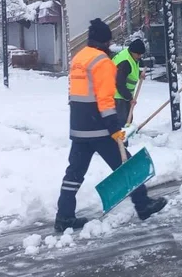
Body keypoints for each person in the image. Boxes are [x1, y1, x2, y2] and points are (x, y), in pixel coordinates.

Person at [56, 19, 166, 232]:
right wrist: (114, 128)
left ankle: (64, 215)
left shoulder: (79, 58)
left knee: (74, 173)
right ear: (106, 41)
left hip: (79, 126)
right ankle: (143, 206)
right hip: (99, 127)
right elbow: (105, 100)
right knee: (128, 165)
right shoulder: (102, 62)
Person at [113, 39, 146, 127]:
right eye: (138, 54)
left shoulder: (131, 57)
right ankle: (121, 139)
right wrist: (129, 98)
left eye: (141, 54)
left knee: (128, 119)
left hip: (123, 95)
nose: (140, 56)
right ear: (133, 52)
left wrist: (139, 74)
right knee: (122, 122)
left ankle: (126, 136)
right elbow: (119, 82)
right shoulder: (125, 62)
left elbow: (130, 71)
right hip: (118, 96)